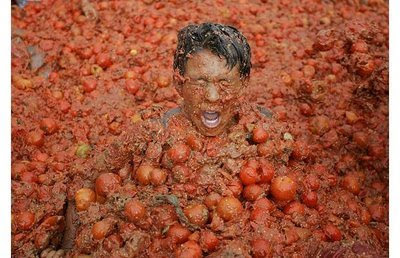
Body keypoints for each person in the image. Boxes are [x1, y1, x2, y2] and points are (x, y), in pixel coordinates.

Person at [42, 22, 286, 257]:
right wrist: (68, 248)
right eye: (200, 82)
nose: (212, 96)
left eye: (225, 83)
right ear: (178, 83)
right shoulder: (151, 133)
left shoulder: (264, 129)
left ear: (243, 83)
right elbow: (83, 182)